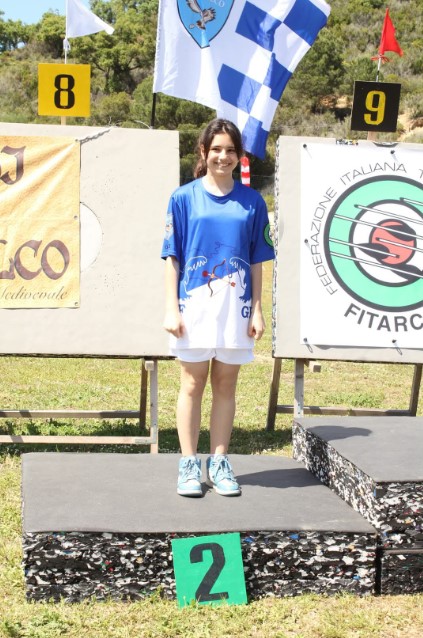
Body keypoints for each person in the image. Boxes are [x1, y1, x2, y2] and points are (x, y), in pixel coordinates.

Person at [161, 118, 274, 497]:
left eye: (230, 150)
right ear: (203, 152)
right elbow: (172, 257)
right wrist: (171, 308)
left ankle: (220, 462)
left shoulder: (252, 202)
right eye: (216, 150)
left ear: (239, 156)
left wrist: (257, 308)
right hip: (193, 305)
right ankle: (189, 464)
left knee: (226, 384)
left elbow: (257, 260)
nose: (223, 157)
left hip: (234, 307)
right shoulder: (183, 198)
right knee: (192, 384)